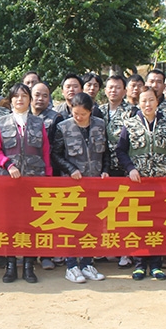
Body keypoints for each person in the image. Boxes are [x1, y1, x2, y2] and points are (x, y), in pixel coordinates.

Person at [116, 87, 166, 281]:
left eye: (151, 100)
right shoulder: (130, 124)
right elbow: (120, 150)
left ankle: (156, 265)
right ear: (138, 103)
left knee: (159, 224)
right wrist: (130, 168)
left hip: (162, 182)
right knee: (139, 224)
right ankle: (139, 264)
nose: (148, 104)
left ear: (157, 101)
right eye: (144, 101)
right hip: (139, 183)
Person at [0, 83, 51, 284]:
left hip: (34, 180)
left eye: (24, 96)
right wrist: (8, 164)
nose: (20, 100)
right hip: (9, 181)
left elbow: (45, 152)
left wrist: (48, 178)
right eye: (16, 96)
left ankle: (28, 265)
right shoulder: (1, 123)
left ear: (29, 100)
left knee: (31, 223)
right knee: (10, 223)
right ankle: (10, 265)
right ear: (10, 100)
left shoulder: (38, 123)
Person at [50, 92, 108, 284]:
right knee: (72, 225)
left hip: (94, 184)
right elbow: (55, 155)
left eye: (83, 114)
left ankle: (87, 263)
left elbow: (106, 152)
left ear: (91, 112)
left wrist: (105, 170)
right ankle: (71, 265)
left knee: (92, 224)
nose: (79, 117)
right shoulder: (63, 127)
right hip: (72, 184)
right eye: (75, 114)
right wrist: (70, 169)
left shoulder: (100, 125)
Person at [96, 74, 135, 178]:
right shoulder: (99, 111)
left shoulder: (132, 112)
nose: (113, 90)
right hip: (103, 166)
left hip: (125, 166)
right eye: (111, 87)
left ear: (124, 91)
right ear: (105, 91)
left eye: (118, 88)